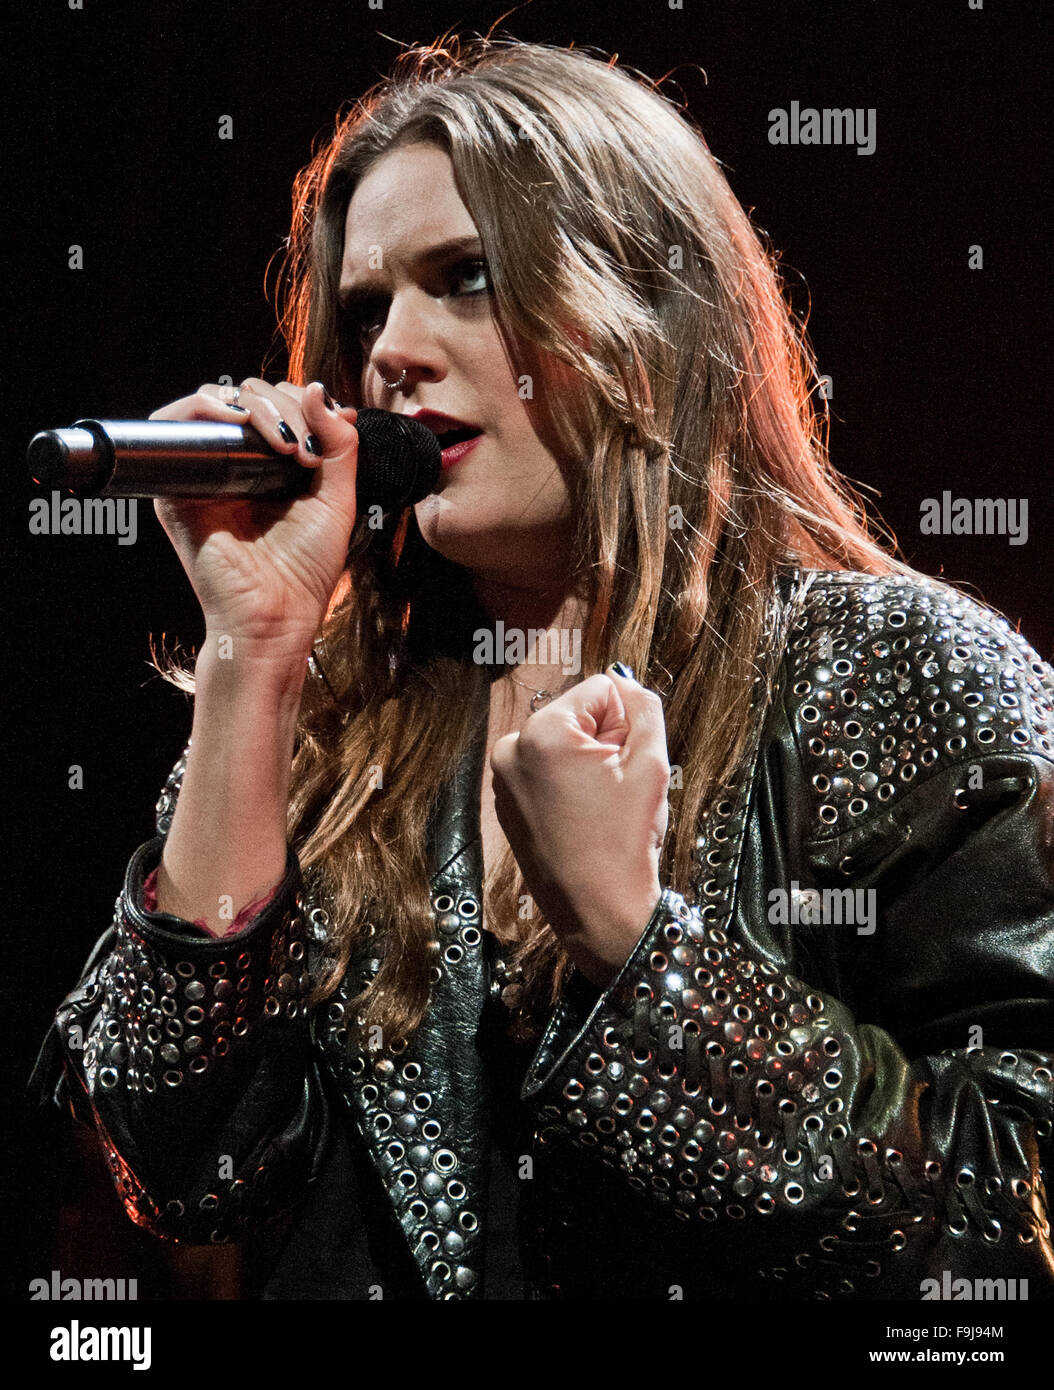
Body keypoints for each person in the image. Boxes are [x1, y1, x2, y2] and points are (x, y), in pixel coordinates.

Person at [36, 36, 1053, 1301]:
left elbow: (1012, 1219)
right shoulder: (339, 715)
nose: (391, 353)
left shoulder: (896, 673)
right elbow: (179, 1171)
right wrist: (249, 656)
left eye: (465, 279)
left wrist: (641, 952)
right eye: (365, 312)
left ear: (641, 313)